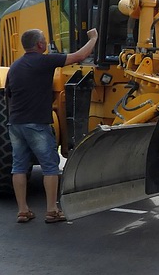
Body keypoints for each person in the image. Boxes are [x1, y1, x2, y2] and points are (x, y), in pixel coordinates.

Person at [5, 27, 98, 224]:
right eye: (44, 41)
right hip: (37, 123)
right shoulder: (45, 61)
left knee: (19, 166)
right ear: (40, 45)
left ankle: (23, 210)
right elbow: (80, 56)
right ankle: (52, 210)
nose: (46, 43)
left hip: (15, 123)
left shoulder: (15, 66)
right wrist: (94, 38)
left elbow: (9, 95)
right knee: (50, 167)